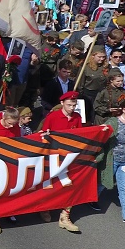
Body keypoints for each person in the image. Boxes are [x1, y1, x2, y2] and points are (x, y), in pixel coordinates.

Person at [41, 91, 83, 232]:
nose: (72, 107)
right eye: (69, 104)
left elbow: (80, 136)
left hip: (68, 157)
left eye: (74, 104)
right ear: (62, 104)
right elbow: (43, 134)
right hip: (53, 156)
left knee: (70, 185)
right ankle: (45, 208)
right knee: (50, 183)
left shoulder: (77, 117)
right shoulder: (53, 116)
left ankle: (65, 216)